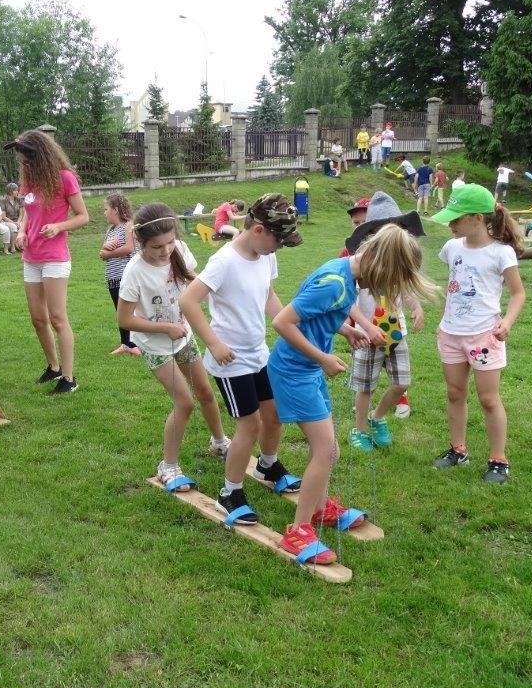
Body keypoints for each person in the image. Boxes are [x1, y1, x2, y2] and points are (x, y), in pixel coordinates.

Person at [268, 223, 439, 565]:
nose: (387, 289)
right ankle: (298, 532)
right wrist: (323, 358)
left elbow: (326, 312)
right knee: (326, 450)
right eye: (392, 280)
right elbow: (282, 322)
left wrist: (346, 331)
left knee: (328, 449)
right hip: (294, 371)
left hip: (308, 370)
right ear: (382, 265)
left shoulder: (346, 277)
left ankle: (319, 507)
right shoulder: (334, 281)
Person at [178, 193, 304, 526]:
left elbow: (268, 294)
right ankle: (230, 492)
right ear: (259, 230)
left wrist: (288, 325)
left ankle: (267, 465)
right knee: (250, 425)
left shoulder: (265, 255)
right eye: (278, 241)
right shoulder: (224, 261)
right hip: (230, 360)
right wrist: (214, 343)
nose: (278, 248)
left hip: (258, 353)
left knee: (273, 416)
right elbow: (188, 301)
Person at [118, 202, 231, 489]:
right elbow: (124, 319)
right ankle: (168, 466)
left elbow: (192, 282)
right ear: (141, 242)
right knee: (184, 402)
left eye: (169, 242)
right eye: (157, 246)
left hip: (184, 336)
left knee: (205, 392)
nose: (166, 250)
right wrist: (165, 328)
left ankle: (219, 443)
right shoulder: (134, 272)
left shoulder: (178, 249)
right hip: (156, 347)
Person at [430, 184, 527, 484]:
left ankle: (498, 459)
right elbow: (456, 286)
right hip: (451, 334)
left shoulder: (501, 253)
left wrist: (507, 322)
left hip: (484, 337)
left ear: (477, 218)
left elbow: (518, 293)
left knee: (488, 399)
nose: (451, 224)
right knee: (454, 393)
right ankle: (458, 450)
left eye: (456, 218)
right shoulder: (452, 248)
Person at [6, 128, 89, 395]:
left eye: (26, 156)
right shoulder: (28, 181)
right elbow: (27, 214)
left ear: (40, 154)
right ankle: (53, 367)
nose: (23, 161)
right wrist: (21, 231)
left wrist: (58, 226)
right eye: (21, 157)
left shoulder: (65, 178)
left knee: (57, 318)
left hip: (55, 257)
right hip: (31, 257)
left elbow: (83, 216)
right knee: (38, 319)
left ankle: (69, 378)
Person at [342, 193, 425, 450]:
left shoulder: (400, 258)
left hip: (396, 332)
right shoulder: (358, 263)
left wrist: (416, 306)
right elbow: (346, 301)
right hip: (367, 335)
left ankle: (376, 418)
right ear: (372, 233)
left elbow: (405, 287)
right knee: (365, 386)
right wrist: (365, 327)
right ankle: (360, 429)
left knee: (401, 382)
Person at [98, 192, 139, 356]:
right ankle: (126, 344)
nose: (104, 213)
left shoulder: (129, 225)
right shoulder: (111, 230)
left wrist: (108, 253)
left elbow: (130, 248)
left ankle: (135, 344)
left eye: (106, 209)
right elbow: (102, 253)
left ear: (115, 210)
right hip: (113, 278)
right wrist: (104, 251)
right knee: (120, 312)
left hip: (126, 276)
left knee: (131, 311)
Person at [2, 182, 22, 254]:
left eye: (17, 190)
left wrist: (18, 222)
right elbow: (3, 216)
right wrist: (14, 222)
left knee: (23, 225)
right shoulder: (4, 201)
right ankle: (13, 246)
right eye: (15, 190)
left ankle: (21, 245)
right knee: (13, 227)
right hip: (7, 221)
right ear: (10, 191)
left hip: (18, 220)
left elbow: (21, 214)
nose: (17, 192)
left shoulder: (19, 200)